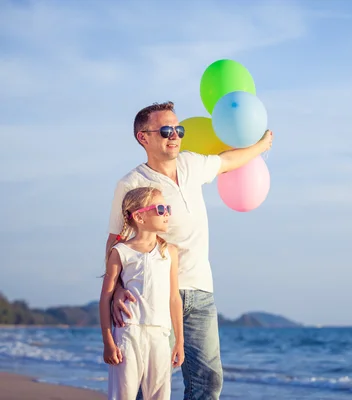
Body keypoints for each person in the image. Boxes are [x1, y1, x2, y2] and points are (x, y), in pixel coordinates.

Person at [105, 101, 273, 399]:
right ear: (143, 137)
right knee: (152, 382)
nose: (175, 136)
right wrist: (117, 287)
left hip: (200, 290)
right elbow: (115, 241)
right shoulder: (131, 183)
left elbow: (229, 161)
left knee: (209, 379)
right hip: (152, 293)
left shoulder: (192, 163)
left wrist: (261, 145)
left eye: (178, 129)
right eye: (166, 130)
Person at [100, 186, 185, 400]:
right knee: (123, 395)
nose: (167, 213)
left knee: (159, 395)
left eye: (167, 208)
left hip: (160, 334)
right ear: (139, 216)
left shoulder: (169, 252)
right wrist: (108, 342)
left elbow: (174, 298)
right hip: (128, 333)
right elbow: (105, 298)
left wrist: (179, 341)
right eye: (160, 208)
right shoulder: (121, 251)